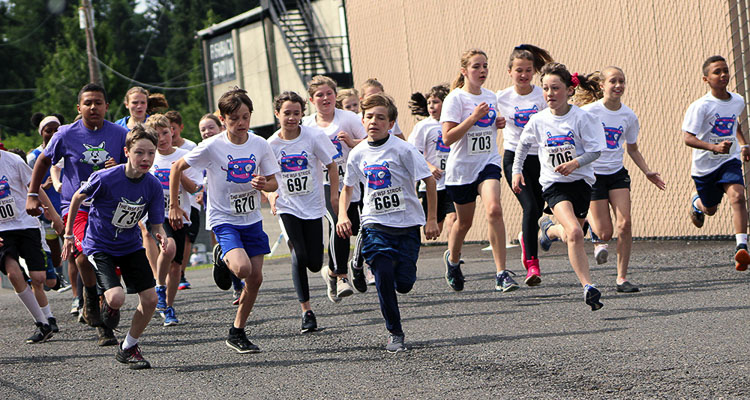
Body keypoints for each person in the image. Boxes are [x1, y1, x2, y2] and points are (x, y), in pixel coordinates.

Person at [169, 88, 279, 353]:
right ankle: (223, 256)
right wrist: (174, 205)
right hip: (223, 217)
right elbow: (176, 167)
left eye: (245, 117)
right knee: (242, 270)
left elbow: (274, 182)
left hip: (251, 219)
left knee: (256, 280)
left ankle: (237, 332)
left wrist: (264, 183)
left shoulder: (260, 144)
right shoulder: (213, 145)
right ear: (223, 119)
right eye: (234, 119)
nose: (241, 124)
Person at [26, 83, 129, 345]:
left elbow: (134, 166)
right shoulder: (65, 134)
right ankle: (93, 301)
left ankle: (102, 309)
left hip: (110, 207)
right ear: (79, 107)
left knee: (107, 260)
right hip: (78, 209)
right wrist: (32, 194)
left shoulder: (120, 134)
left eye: (98, 103)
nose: (93, 107)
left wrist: (119, 167)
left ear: (107, 106)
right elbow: (43, 161)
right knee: (84, 256)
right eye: (88, 103)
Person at [337, 93, 439, 352]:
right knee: (382, 274)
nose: (374, 122)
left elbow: (428, 181)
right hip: (375, 223)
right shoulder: (358, 153)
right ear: (362, 120)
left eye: (381, 118)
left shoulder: (403, 149)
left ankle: (359, 261)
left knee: (404, 284)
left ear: (391, 123)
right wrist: (342, 215)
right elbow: (347, 188)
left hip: (406, 226)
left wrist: (431, 219)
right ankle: (395, 332)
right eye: (369, 117)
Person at [62, 125, 165, 369]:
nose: (146, 159)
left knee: (150, 300)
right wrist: (68, 234)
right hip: (100, 246)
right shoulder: (105, 177)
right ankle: (102, 304)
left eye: (151, 153)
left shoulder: (152, 185)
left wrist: (162, 236)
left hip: (130, 246)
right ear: (126, 152)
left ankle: (128, 346)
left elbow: (157, 224)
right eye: (140, 153)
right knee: (116, 297)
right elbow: (77, 197)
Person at [512, 62, 606, 311]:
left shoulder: (582, 118)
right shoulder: (538, 121)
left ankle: (548, 231)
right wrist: (516, 171)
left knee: (569, 235)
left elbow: (596, 150)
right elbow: (522, 146)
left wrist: (575, 163)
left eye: (555, 88)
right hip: (554, 185)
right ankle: (588, 286)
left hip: (582, 183)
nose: (550, 93)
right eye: (545, 88)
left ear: (569, 90)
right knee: (575, 232)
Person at [574, 67, 666, 292]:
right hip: (593, 175)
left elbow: (632, 149)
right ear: (602, 85)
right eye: (613, 81)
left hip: (617, 174)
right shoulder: (588, 112)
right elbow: (574, 140)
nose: (618, 86)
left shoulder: (628, 116)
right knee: (606, 233)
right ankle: (595, 235)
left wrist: (647, 171)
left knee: (625, 224)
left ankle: (622, 278)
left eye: (622, 81)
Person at [440, 49, 514, 292]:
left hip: (487, 162)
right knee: (464, 224)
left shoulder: (491, 96)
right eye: (476, 67)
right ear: (464, 71)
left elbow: (487, 125)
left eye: (485, 66)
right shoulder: (455, 99)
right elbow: (448, 138)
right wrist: (473, 118)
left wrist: (496, 123)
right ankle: (453, 260)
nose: (482, 71)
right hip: (461, 169)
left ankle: (501, 273)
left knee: (494, 209)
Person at [267, 91, 339, 333]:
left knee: (314, 262)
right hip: (288, 207)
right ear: (277, 114)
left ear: (302, 114)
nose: (291, 118)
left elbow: (331, 164)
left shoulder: (313, 136)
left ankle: (329, 274)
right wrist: (270, 196)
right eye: (286, 113)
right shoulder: (271, 145)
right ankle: (306, 311)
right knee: (298, 255)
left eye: (296, 113)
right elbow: (263, 178)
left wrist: (334, 195)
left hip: (312, 205)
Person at [302, 75, 366, 302]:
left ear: (335, 95)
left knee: (354, 228)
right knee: (338, 224)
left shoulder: (348, 119)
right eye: (319, 95)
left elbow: (372, 142)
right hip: (323, 186)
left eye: (329, 93)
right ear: (311, 99)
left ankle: (329, 272)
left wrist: (351, 143)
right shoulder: (306, 125)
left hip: (351, 183)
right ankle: (340, 276)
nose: (325, 98)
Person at [684, 55, 750, 270]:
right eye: (716, 72)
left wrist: (743, 145)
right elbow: (688, 137)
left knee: (738, 196)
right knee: (711, 209)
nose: (723, 75)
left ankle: (742, 246)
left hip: (728, 161)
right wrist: (713, 147)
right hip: (705, 166)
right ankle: (698, 204)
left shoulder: (737, 100)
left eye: (725, 70)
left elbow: (734, 123)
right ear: (706, 79)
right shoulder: (700, 106)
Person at [496, 44, 553, 286]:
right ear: (509, 71)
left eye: (528, 70)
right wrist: (494, 122)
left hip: (539, 159)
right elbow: (484, 119)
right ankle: (532, 264)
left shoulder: (541, 95)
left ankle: (525, 239)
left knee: (538, 209)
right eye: (519, 70)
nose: (524, 75)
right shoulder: (501, 97)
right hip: (513, 159)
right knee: (530, 207)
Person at [0, 149, 63, 343]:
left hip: (26, 224)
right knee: (13, 274)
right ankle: (42, 324)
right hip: (2, 230)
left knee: (39, 278)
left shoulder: (13, 161)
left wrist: (54, 215)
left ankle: (48, 316)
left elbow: (36, 188)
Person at [146, 114, 201, 326]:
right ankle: (159, 287)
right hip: (158, 214)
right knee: (167, 249)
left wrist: (177, 171)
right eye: (156, 135)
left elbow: (194, 187)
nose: (162, 138)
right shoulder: (149, 157)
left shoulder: (186, 155)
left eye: (165, 132)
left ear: (173, 132)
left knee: (177, 265)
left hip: (181, 213)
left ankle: (167, 306)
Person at [407, 84, 457, 241]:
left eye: (435, 102)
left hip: (452, 180)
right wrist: (429, 167)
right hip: (432, 183)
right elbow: (414, 152)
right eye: (429, 103)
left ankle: (453, 254)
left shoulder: (454, 123)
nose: (431, 106)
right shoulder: (423, 127)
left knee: (454, 217)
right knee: (435, 229)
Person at [27, 113, 70, 293]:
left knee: (71, 244)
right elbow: (27, 184)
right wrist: (43, 186)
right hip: (46, 210)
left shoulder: (68, 150)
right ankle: (58, 276)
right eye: (48, 130)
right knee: (52, 245)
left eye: (56, 130)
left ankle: (73, 280)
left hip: (67, 206)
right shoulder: (33, 157)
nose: (52, 133)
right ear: (41, 132)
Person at [165, 110, 199, 291]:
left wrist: (178, 171)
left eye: (172, 129)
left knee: (185, 239)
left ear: (179, 128)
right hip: (160, 209)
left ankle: (180, 272)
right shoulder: (153, 153)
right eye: (163, 130)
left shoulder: (189, 149)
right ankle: (159, 280)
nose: (170, 133)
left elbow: (195, 182)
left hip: (188, 202)